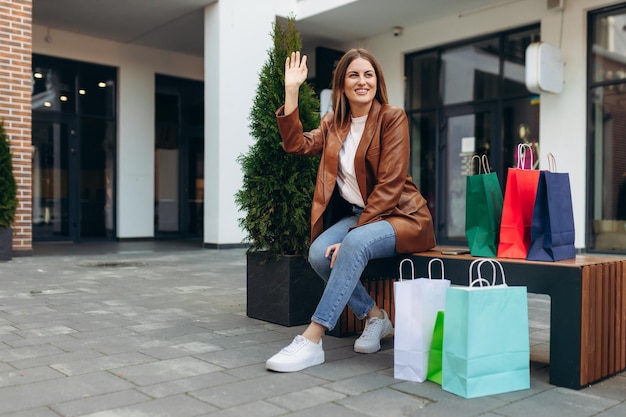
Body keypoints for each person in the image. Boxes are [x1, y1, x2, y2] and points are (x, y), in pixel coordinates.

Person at [266, 49, 436, 373]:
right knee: (318, 253)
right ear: (342, 85)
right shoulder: (334, 123)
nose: (362, 81)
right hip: (362, 214)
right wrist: (292, 91)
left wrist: (354, 235)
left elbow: (390, 185)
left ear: (377, 81)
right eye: (354, 75)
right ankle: (375, 317)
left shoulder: (392, 117)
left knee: (353, 245)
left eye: (368, 74)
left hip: (401, 215)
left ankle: (312, 339)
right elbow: (296, 145)